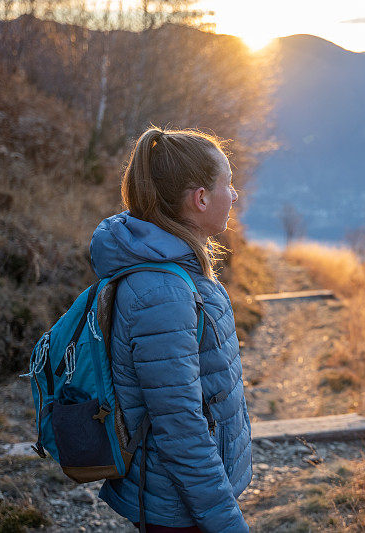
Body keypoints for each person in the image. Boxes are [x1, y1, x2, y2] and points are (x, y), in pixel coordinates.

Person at [89, 127, 252, 532]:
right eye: (226, 185)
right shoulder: (162, 293)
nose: (233, 195)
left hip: (184, 498)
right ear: (200, 198)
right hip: (179, 508)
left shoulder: (173, 271)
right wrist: (226, 522)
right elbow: (181, 428)